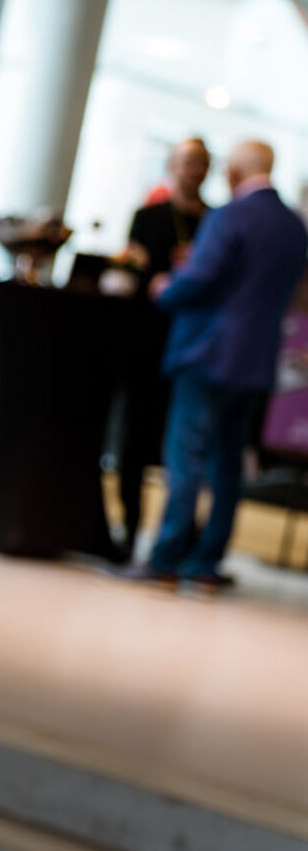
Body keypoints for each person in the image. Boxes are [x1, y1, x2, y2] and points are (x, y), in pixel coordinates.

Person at [128, 140, 308, 588]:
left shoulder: (230, 216)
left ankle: (166, 558)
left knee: (186, 458)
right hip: (257, 360)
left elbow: (201, 278)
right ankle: (206, 563)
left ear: (235, 170)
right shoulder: (294, 226)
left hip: (208, 352)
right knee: (228, 465)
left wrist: (165, 288)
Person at [112, 138, 212, 555]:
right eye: (187, 162)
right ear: (173, 166)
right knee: (134, 440)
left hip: (193, 348)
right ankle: (130, 527)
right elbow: (132, 276)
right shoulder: (148, 217)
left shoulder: (215, 222)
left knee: (185, 447)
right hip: (147, 343)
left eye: (201, 163)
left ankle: (178, 539)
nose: (194, 170)